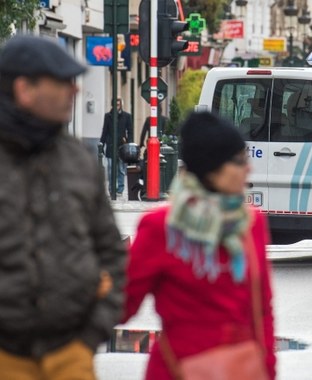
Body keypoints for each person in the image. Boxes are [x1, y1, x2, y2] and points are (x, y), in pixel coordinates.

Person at [0, 35, 126, 379]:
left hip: (70, 354)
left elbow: (112, 254)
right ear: (25, 89)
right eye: (62, 82)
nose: (74, 91)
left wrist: (90, 335)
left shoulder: (79, 161)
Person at [123, 111, 276, 380]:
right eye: (240, 161)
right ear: (212, 170)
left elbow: (262, 309)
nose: (248, 169)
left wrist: (268, 368)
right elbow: (123, 303)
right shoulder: (161, 228)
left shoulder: (251, 224)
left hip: (240, 370)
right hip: (176, 370)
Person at [100, 97, 133, 196]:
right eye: (115, 104)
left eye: (118, 105)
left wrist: (129, 143)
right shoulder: (108, 116)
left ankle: (120, 189)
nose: (117, 106)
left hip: (122, 146)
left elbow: (130, 132)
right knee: (110, 169)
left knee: (121, 169)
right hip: (110, 146)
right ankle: (111, 188)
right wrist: (102, 144)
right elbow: (104, 131)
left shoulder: (127, 116)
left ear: (121, 105)